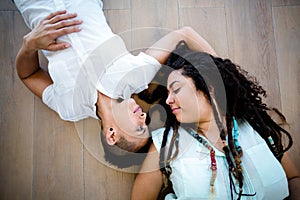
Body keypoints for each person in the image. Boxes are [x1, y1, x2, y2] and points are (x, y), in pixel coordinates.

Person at [13, 0, 217, 167]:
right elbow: (185, 34)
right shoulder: (136, 77)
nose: (144, 117)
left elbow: (29, 75)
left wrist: (29, 45)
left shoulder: (69, 107)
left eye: (139, 128)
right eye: (145, 124)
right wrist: (224, 80)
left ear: (112, 135)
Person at [131, 41, 300, 199]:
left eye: (176, 89)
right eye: (167, 94)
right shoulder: (166, 143)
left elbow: (293, 178)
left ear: (208, 85)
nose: (168, 100)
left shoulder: (256, 126)